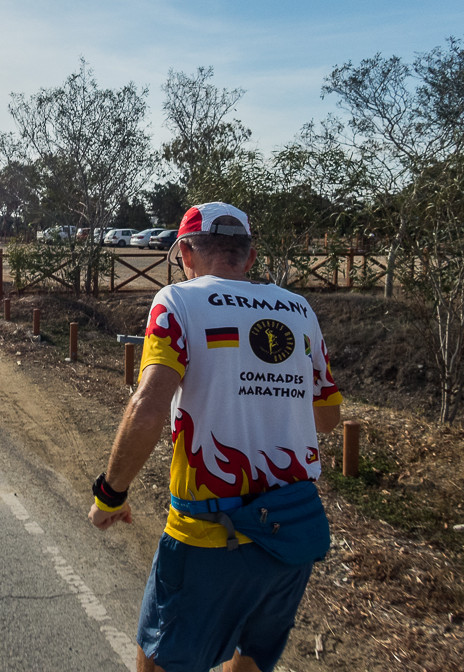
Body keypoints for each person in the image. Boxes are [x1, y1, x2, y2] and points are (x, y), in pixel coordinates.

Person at [89, 202, 342, 672]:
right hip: (291, 530)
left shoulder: (178, 301)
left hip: (209, 537)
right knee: (247, 661)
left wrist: (110, 494)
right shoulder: (300, 309)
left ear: (185, 252)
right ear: (248, 256)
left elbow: (148, 406)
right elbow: (327, 418)